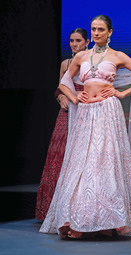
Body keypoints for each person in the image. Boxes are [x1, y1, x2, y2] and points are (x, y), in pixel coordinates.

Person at [39, 15, 131, 239]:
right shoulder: (82, 56)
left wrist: (122, 93)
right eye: (93, 29)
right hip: (85, 113)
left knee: (104, 161)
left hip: (107, 111)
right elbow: (64, 82)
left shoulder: (117, 56)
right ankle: (79, 220)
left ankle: (107, 221)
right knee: (83, 163)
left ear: (110, 32)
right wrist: (74, 98)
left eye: (101, 29)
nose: (96, 33)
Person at [35, 28, 89, 221]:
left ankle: (79, 207)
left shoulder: (90, 61)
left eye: (78, 41)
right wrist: (61, 99)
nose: (75, 45)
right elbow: (59, 88)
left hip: (85, 110)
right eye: (72, 41)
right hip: (67, 113)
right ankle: (54, 208)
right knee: (60, 154)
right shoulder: (66, 63)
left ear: (87, 42)